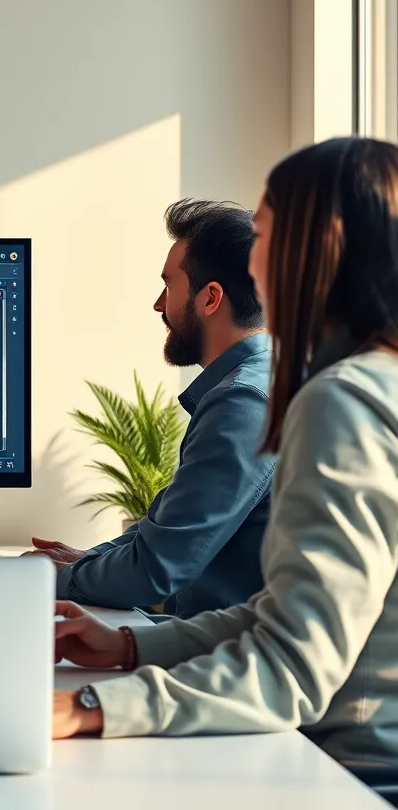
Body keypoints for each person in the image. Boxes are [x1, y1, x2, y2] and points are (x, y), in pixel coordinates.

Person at [49, 136, 398, 774]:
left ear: (312, 253)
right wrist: (131, 645)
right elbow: (283, 614)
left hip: (352, 775)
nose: (252, 263)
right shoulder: (371, 382)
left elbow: (294, 664)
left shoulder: (340, 401)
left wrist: (95, 707)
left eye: (262, 234)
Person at [26, 200, 275, 618]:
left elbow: (156, 570)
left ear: (210, 298)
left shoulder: (243, 403)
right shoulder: (257, 381)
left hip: (223, 666)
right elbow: (163, 529)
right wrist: (85, 562)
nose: (159, 305)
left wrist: (42, 580)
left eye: (169, 285)